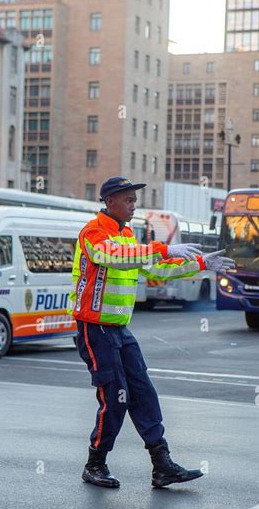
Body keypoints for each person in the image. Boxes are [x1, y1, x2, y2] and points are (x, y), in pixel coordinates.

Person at [68, 177, 235, 489]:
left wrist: (201, 263)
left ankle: (162, 465)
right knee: (115, 397)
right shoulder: (94, 232)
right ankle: (95, 464)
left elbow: (155, 268)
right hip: (93, 327)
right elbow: (113, 256)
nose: (134, 205)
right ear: (110, 201)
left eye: (134, 199)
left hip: (118, 329)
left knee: (143, 392)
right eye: (128, 199)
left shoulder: (127, 235)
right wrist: (164, 247)